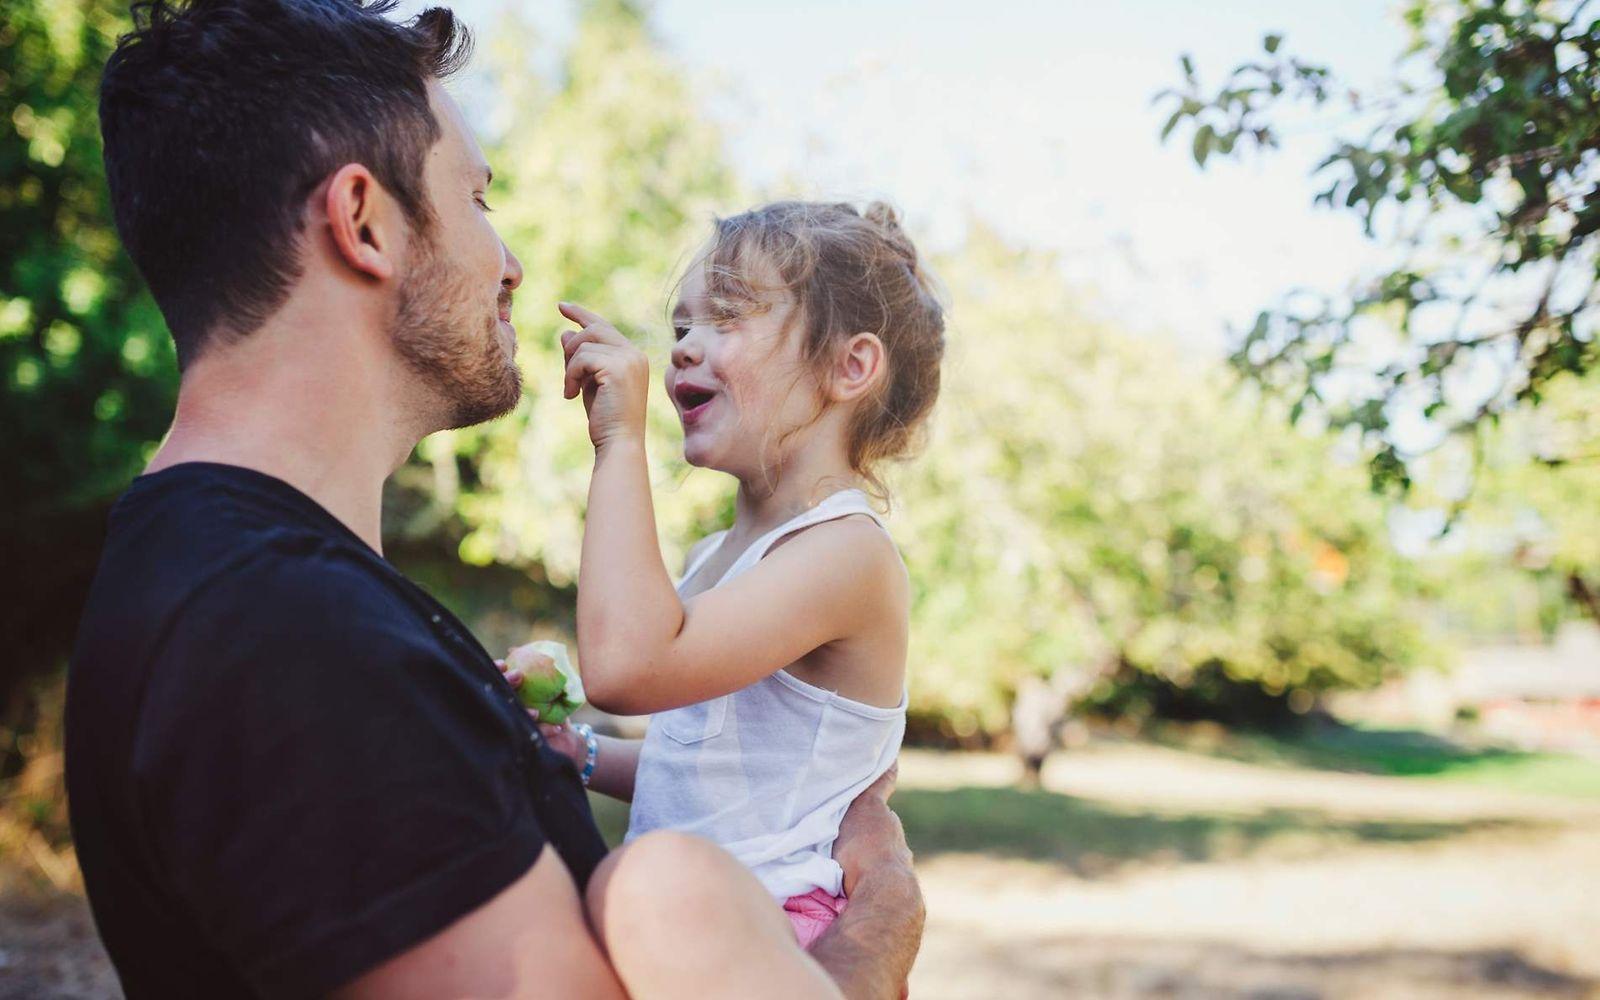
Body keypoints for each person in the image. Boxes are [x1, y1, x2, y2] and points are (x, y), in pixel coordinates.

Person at [63, 2, 923, 997]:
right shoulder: (291, 637)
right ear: (363, 221)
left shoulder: (234, 577)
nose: (509, 261)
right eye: (477, 199)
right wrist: (878, 936)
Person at [506, 201, 943, 954]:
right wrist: (572, 750)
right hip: (696, 922)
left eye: (728, 318)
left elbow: (626, 667)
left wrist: (618, 446)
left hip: (775, 935)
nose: (683, 349)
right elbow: (703, 777)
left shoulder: (846, 553)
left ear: (850, 366)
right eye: (681, 328)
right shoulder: (715, 554)